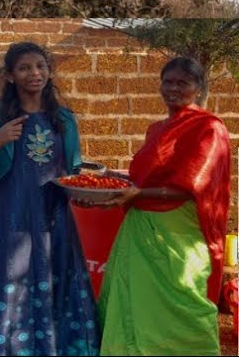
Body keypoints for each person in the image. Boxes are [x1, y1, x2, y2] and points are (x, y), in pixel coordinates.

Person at [0, 41, 97, 356]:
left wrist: (91, 191)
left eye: (40, 66)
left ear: (49, 72)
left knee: (57, 286)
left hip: (55, 218)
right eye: (24, 68)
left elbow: (74, 174)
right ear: (10, 76)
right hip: (12, 218)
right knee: (12, 283)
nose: (34, 73)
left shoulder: (64, 120)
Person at [97, 56, 231, 356]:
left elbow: (190, 186)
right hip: (140, 229)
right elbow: (144, 177)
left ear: (198, 88)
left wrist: (137, 194)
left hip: (179, 233)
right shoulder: (156, 128)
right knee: (135, 303)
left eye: (182, 83)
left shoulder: (209, 128)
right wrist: (110, 177)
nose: (173, 88)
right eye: (167, 81)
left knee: (183, 301)